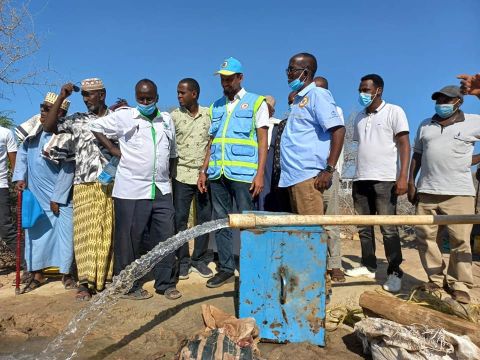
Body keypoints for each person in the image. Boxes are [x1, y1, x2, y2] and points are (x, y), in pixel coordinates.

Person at [90, 79, 180, 300]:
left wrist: (170, 177)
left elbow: (173, 153)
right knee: (129, 240)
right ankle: (128, 286)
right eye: (141, 98)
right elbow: (95, 126)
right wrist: (112, 148)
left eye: (150, 98)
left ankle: (165, 283)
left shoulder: (166, 120)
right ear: (136, 97)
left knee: (166, 236)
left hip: (161, 188)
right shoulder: (124, 116)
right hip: (131, 188)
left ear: (157, 98)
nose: (146, 101)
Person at [198, 57, 268, 288]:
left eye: (229, 79)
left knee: (248, 222)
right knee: (221, 222)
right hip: (218, 173)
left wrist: (259, 175)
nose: (225, 83)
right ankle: (226, 267)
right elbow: (212, 141)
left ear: (240, 78)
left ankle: (252, 267)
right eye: (222, 79)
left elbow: (262, 140)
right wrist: (203, 171)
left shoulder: (257, 102)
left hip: (243, 175)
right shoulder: (216, 105)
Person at [42, 78, 116, 301]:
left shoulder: (116, 120)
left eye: (89, 95)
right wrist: (62, 96)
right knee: (84, 235)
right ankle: (85, 282)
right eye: (83, 95)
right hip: (83, 183)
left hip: (110, 184)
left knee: (104, 233)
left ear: (101, 95)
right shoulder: (77, 120)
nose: (85, 99)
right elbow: (49, 127)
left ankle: (104, 279)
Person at [408, 85, 480, 304]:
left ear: (458, 102)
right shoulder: (425, 125)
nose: (442, 104)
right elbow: (417, 155)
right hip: (427, 190)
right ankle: (436, 279)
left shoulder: (473, 121)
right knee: (426, 238)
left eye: (446, 100)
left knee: (460, 241)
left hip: (459, 193)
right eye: (438, 100)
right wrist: (411, 181)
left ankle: (460, 284)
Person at [345, 74, 410, 294]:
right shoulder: (359, 117)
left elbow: (404, 145)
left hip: (385, 179)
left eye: (365, 89)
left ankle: (394, 272)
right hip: (361, 178)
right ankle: (369, 265)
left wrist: (403, 176)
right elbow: (361, 147)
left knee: (388, 229)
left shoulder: (394, 111)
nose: (362, 93)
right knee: (364, 227)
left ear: (378, 90)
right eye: (360, 89)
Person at [12, 93, 76, 292]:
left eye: (49, 108)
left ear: (60, 113)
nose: (43, 111)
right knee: (36, 234)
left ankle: (66, 273)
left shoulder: (66, 135)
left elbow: (69, 168)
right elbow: (22, 157)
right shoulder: (32, 133)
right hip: (36, 193)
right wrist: (19, 178)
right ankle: (37, 273)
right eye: (43, 106)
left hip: (60, 196)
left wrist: (58, 197)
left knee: (65, 233)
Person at [279, 53, 345, 221]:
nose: (288, 74)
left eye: (292, 69)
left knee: (311, 235)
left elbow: (338, 130)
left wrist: (328, 170)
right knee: (301, 235)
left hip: (307, 177)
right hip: (294, 177)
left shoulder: (317, 95)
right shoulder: (299, 99)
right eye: (288, 69)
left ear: (306, 72)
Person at [171, 78, 213, 280]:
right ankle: (183, 261)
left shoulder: (209, 115)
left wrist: (204, 170)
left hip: (204, 176)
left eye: (182, 93)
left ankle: (199, 259)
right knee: (179, 220)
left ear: (194, 94)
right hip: (181, 175)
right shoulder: (174, 117)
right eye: (178, 93)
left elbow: (211, 145)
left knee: (203, 220)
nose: (179, 96)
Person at [312, 76, 346, 283]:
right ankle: (314, 263)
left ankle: (334, 265)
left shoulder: (335, 112)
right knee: (311, 223)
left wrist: (329, 169)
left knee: (331, 221)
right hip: (307, 174)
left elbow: (337, 135)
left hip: (327, 173)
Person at [0, 121, 17, 269]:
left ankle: (29, 266)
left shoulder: (6, 133)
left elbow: (15, 166)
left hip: (1, 186)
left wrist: (19, 181)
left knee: (6, 230)